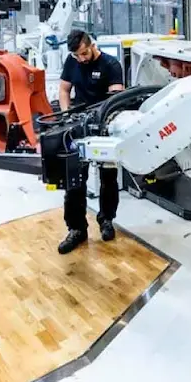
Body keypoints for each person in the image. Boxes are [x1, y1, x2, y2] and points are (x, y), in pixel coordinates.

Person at [56, 29, 125, 254]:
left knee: (108, 177)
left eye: (84, 53)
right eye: (78, 56)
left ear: (92, 45)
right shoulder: (72, 62)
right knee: (74, 180)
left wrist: (103, 124)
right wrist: (67, 115)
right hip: (78, 127)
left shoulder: (111, 65)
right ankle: (77, 228)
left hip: (104, 128)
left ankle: (106, 220)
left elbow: (115, 101)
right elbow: (64, 89)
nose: (82, 59)